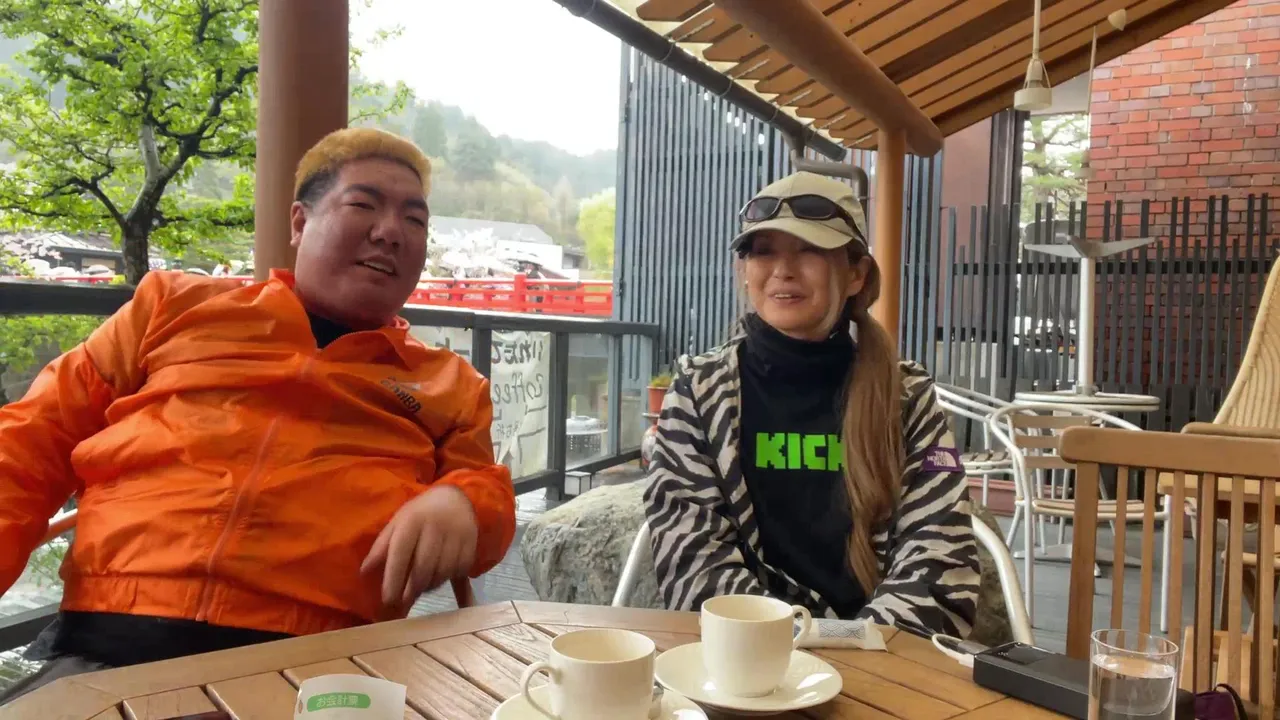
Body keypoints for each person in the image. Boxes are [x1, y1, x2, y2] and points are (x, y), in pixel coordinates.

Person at [0, 128, 516, 701]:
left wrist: (463, 502)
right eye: (363, 205)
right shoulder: (171, 307)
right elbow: (30, 440)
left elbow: (488, 495)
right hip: (111, 645)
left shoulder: (450, 383)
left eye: (415, 220)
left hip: (319, 667)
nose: (391, 231)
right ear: (299, 221)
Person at [643, 171, 979, 636]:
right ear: (745, 271)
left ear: (857, 273)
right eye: (763, 251)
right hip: (746, 654)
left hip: (880, 656)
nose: (783, 269)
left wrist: (847, 648)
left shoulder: (906, 395)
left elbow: (940, 558)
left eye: (810, 249)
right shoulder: (700, 391)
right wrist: (792, 648)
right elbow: (692, 558)